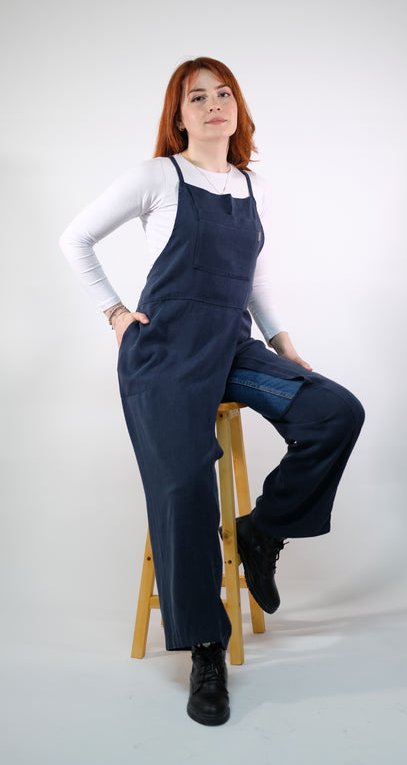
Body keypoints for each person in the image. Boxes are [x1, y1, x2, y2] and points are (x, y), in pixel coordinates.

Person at [59, 57, 365, 726]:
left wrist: (283, 344)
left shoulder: (251, 187)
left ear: (238, 109)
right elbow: (74, 238)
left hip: (228, 349)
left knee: (333, 411)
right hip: (165, 355)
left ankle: (262, 532)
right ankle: (205, 649)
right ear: (179, 116)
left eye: (223, 93)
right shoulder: (157, 177)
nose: (212, 105)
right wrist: (115, 313)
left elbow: (252, 279)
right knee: (184, 487)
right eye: (196, 97)